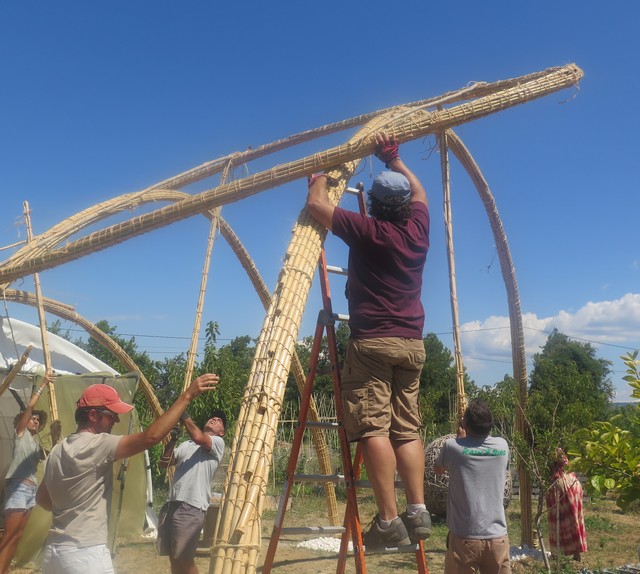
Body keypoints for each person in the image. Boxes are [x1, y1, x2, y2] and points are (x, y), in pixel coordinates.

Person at [306, 132, 431, 549]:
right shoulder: (418, 229)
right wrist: (395, 160)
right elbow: (421, 192)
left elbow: (317, 206)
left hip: (373, 341)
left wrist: (318, 173)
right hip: (412, 343)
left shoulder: (369, 231)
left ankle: (389, 521)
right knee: (407, 429)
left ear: (375, 205)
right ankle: (418, 510)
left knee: (373, 427)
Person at [36, 373, 220, 574]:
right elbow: (151, 437)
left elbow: (43, 499)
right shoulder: (99, 444)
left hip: (53, 554)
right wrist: (187, 396)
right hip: (85, 554)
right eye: (111, 414)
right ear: (93, 416)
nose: (116, 419)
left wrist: (72, 504)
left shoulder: (58, 449)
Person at [434, 398, 511, 574]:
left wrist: (461, 440)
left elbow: (438, 469)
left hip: (464, 538)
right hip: (497, 537)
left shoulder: (453, 447)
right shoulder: (502, 446)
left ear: (465, 423)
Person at [156, 409, 227, 574]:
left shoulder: (217, 443)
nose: (213, 419)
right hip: (172, 503)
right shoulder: (187, 445)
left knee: (184, 558)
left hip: (191, 506)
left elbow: (198, 437)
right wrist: (173, 439)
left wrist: (184, 415)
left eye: (218, 421)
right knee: (173, 556)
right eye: (212, 417)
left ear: (222, 432)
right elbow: (165, 463)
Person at [0, 372, 51, 574]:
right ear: (24, 421)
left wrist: (55, 436)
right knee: (9, 537)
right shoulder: (20, 434)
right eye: (32, 419)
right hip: (18, 488)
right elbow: (29, 408)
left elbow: (49, 456)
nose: (35, 421)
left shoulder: (37, 443)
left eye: (38, 420)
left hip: (31, 491)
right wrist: (43, 385)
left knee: (17, 537)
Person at [545, 447, 587, 561]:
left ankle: (557, 554)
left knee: (558, 519)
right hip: (573, 483)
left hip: (562, 486)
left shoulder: (548, 452)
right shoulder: (560, 452)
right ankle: (576, 553)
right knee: (574, 518)